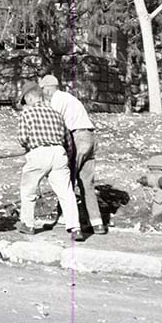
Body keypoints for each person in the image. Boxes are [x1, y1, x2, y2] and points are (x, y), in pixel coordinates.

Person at [14, 85, 85, 240]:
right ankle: (75, 228)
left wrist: (29, 145)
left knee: (28, 190)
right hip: (59, 153)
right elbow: (68, 141)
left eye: (25, 101)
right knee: (66, 192)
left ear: (30, 98)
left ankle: (27, 224)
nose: (25, 104)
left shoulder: (27, 114)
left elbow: (22, 138)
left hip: (39, 153)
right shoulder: (56, 114)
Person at [40, 74, 107, 235]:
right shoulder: (70, 98)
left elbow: (53, 123)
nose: (43, 93)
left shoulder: (57, 100)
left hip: (77, 137)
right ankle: (97, 223)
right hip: (90, 137)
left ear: (48, 88)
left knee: (65, 179)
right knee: (86, 183)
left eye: (43, 90)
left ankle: (65, 218)